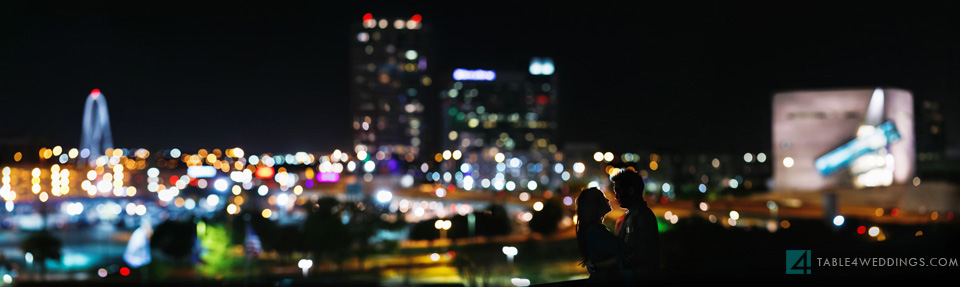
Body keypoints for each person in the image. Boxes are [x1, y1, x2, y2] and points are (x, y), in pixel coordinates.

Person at [612, 169, 661, 284]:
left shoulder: (638, 217)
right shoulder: (635, 216)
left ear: (630, 190)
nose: (615, 196)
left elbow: (629, 256)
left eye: (618, 191)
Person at [575, 187, 630, 286]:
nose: (608, 200)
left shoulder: (595, 229)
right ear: (595, 205)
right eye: (603, 197)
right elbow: (623, 254)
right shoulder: (595, 231)